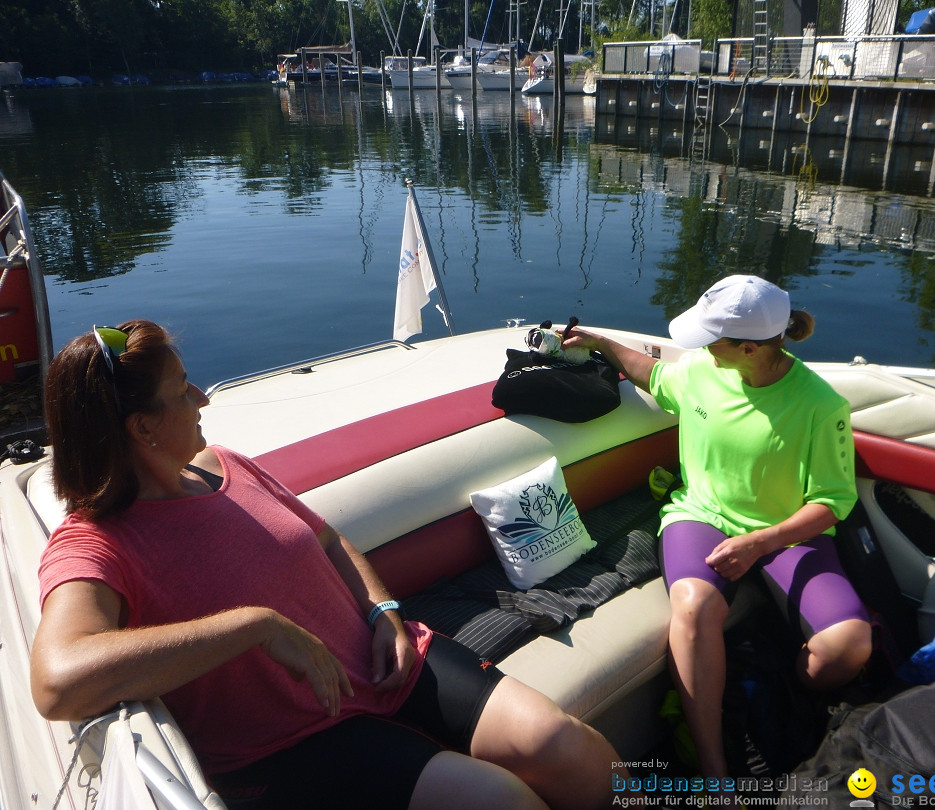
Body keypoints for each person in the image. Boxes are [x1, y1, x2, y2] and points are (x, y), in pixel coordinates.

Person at [30, 320, 631, 810]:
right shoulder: (94, 542)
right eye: (183, 388)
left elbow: (330, 542)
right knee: (499, 800)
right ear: (142, 428)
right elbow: (58, 681)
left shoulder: (225, 464)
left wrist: (385, 612)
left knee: (568, 747)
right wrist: (254, 625)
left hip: (389, 663)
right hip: (292, 741)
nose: (202, 397)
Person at [562, 275, 873, 781]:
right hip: (701, 515)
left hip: (784, 531)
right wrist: (601, 345)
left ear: (748, 348)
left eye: (713, 339)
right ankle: (714, 767)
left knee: (848, 649)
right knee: (693, 605)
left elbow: (833, 502)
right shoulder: (703, 372)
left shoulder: (821, 406)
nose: (703, 348)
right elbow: (654, 374)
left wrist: (760, 542)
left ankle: (785, 686)